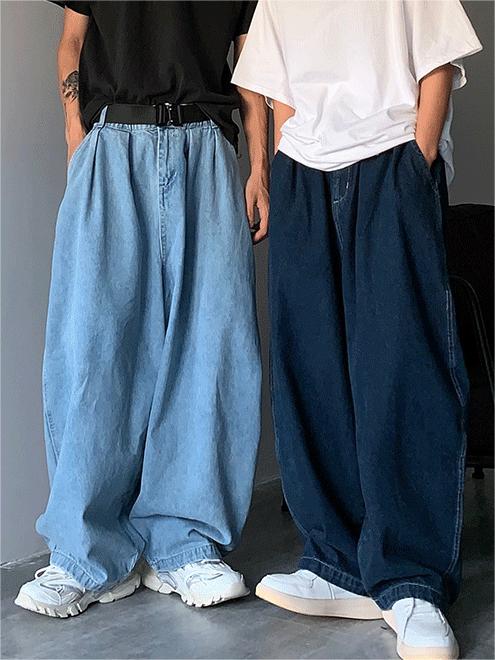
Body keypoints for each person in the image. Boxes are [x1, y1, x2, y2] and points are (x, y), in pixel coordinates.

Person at [232, 1, 481, 657]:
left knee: (403, 369)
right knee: (309, 368)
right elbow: (278, 83)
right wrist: (284, 159)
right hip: (302, 169)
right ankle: (335, 562)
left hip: (391, 157)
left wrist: (418, 159)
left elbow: (438, 61)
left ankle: (414, 581)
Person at [15, 0, 269, 618]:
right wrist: (76, 131)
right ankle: (84, 554)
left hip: (206, 144)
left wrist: (260, 166)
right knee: (92, 349)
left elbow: (253, 61)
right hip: (112, 142)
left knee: (210, 349)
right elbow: (72, 40)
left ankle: (186, 545)